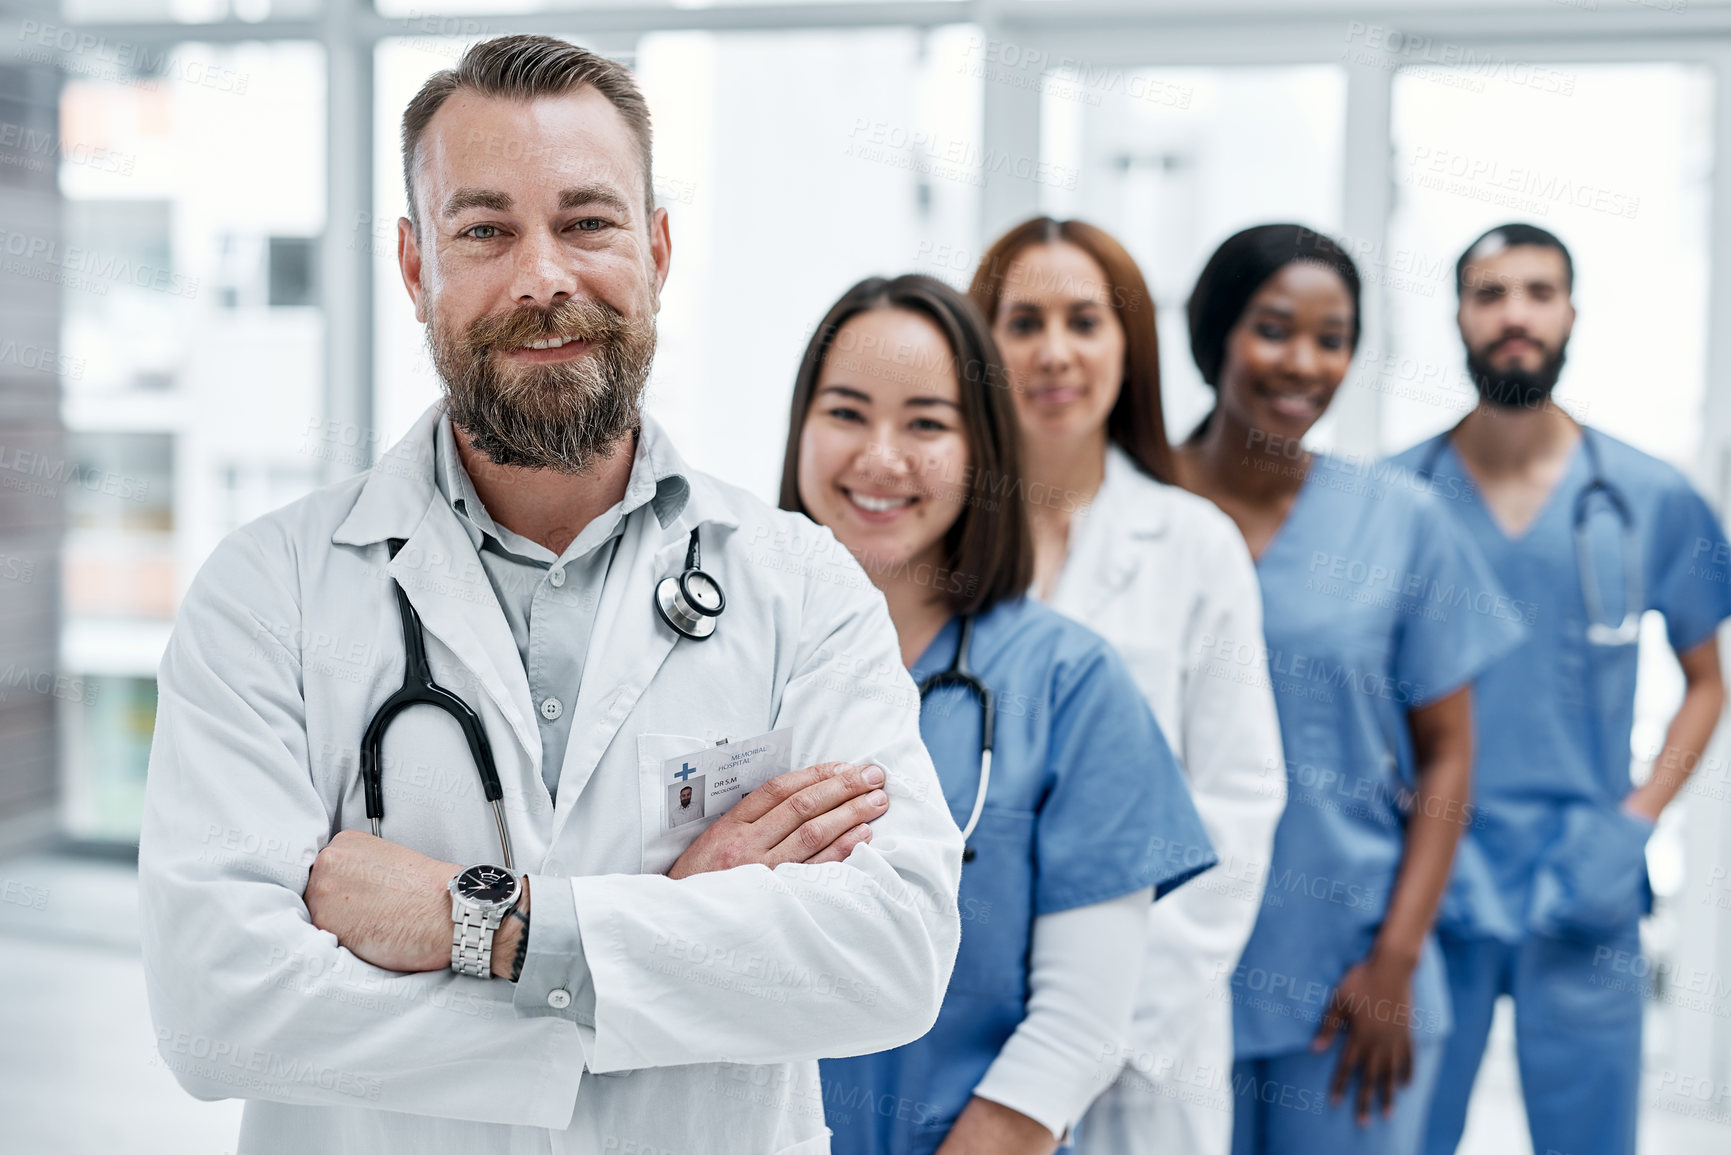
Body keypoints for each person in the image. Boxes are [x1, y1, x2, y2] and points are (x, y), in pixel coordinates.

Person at [136, 36, 963, 1155]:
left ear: (658, 250)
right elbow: (220, 1010)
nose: (544, 278)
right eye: (484, 230)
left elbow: (893, 953)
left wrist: (484, 921)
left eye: (588, 222)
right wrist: (676, 948)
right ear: (416, 264)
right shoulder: (267, 592)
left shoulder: (801, 587)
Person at [784, 274, 1216, 1155]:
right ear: (799, 428)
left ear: (983, 450)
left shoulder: (1071, 685)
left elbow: (1075, 1029)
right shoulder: (725, 655)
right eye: (846, 411)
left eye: (927, 423)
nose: (881, 456)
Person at [1173, 224, 1525, 1155]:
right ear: (1213, 334)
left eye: (1332, 339)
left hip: (1344, 972)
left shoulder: (1399, 522)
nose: (1303, 363)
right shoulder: (1132, 508)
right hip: (1158, 965)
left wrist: (1396, 958)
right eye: (1274, 328)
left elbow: (1449, 750)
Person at [1388, 224, 1731, 1155]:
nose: (1514, 315)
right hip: (1431, 885)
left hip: (1586, 880)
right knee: (1398, 1135)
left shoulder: (1649, 496)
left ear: (1570, 312)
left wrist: (1637, 819)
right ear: (1457, 314)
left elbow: (1708, 681)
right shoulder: (1394, 500)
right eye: (1489, 293)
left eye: (1538, 292)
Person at [967, 218, 1287, 1155]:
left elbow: (1237, 804)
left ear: (1129, 347)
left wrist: (1099, 1023)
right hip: (964, 1012)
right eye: (1022, 322)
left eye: (1084, 321)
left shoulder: (1194, 545)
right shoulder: (940, 547)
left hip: (1152, 1043)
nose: (1054, 351)